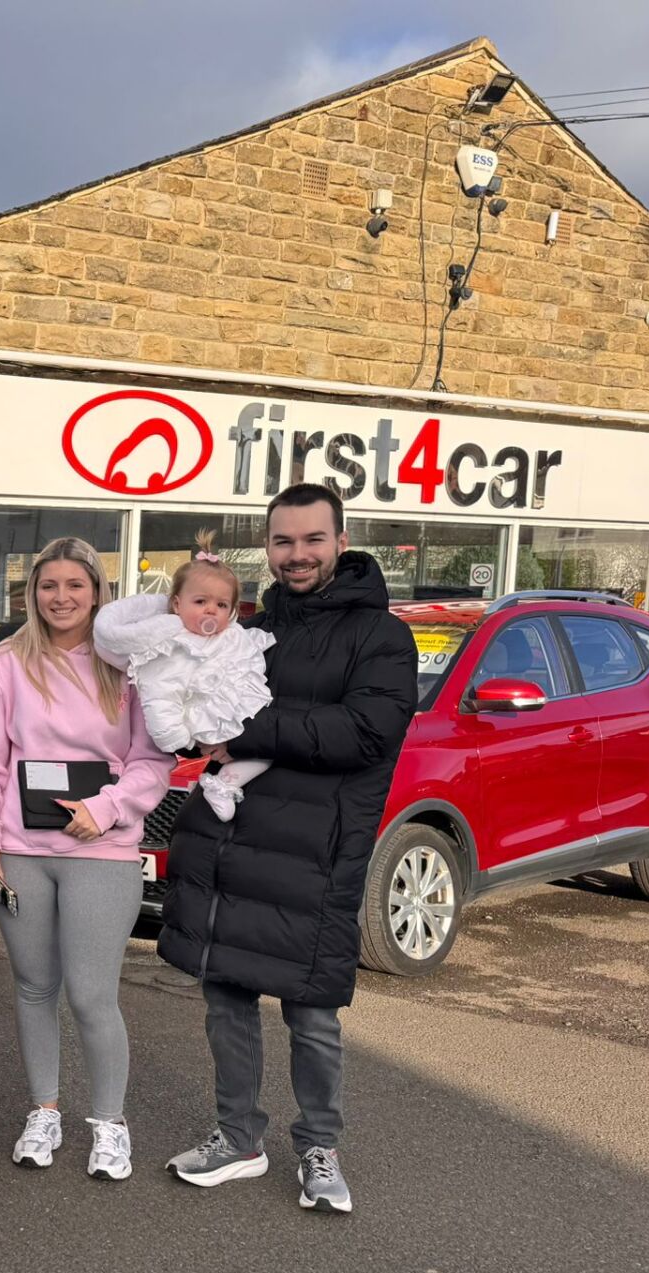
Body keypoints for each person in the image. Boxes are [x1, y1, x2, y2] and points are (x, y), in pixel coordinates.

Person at [156, 484, 416, 1214]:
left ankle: (320, 1148)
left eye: (311, 540)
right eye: (282, 542)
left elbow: (363, 734)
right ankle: (236, 1138)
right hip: (233, 840)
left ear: (340, 542)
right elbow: (196, 703)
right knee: (227, 996)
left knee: (311, 1013)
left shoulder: (381, 637)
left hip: (315, 850)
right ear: (266, 548)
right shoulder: (250, 627)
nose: (296, 555)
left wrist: (246, 727)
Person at [0, 537, 174, 1180]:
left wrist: (105, 809)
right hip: (24, 852)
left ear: (96, 592)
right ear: (33, 593)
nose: (61, 598)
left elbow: (152, 761)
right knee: (32, 987)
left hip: (100, 851)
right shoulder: (6, 664)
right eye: (48, 586)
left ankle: (110, 1124)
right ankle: (44, 1110)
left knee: (90, 994)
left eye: (74, 586)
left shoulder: (130, 666)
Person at [91, 530, 276, 820]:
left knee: (266, 753)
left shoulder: (231, 636)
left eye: (221, 605)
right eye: (200, 602)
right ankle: (223, 782)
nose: (211, 611)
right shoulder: (169, 647)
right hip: (197, 721)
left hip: (233, 716)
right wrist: (175, 738)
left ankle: (226, 783)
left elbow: (245, 666)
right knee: (253, 751)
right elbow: (159, 693)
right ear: (177, 605)